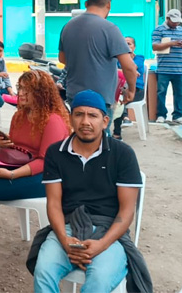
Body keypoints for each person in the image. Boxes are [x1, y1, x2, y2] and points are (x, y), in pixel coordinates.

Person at [27, 90, 152, 293]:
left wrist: (101, 245)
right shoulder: (56, 153)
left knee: (99, 282)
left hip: (109, 231)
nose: (85, 121)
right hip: (68, 228)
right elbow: (54, 204)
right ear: (71, 119)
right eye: (79, 114)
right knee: (44, 272)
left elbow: (126, 211)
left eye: (92, 115)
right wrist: (64, 240)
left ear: (105, 121)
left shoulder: (123, 154)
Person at [0, 70, 71, 269]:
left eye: (27, 90)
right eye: (20, 88)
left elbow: (46, 162)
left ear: (41, 92)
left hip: (46, 179)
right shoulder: (20, 115)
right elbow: (20, 149)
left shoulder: (53, 120)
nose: (21, 93)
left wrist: (12, 174)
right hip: (20, 167)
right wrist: (6, 145)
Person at [58, 0, 138, 134]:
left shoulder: (68, 26)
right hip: (100, 99)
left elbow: (62, 59)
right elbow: (129, 67)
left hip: (75, 96)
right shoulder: (110, 29)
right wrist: (131, 90)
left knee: (79, 137)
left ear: (86, 4)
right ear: (109, 5)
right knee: (99, 140)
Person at [151, 8, 182, 124]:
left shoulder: (181, 30)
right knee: (161, 93)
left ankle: (177, 115)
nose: (176, 24)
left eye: (177, 22)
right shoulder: (159, 30)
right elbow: (155, 46)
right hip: (164, 68)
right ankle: (161, 115)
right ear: (167, 18)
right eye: (173, 21)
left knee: (180, 93)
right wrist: (172, 43)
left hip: (180, 69)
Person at [114, 36, 146, 139]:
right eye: (124, 44)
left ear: (134, 47)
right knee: (118, 98)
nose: (126, 46)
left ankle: (118, 132)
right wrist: (128, 71)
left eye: (129, 44)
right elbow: (116, 71)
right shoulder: (117, 59)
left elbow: (131, 68)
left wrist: (125, 71)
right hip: (122, 90)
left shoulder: (139, 58)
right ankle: (124, 119)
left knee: (119, 99)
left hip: (136, 91)